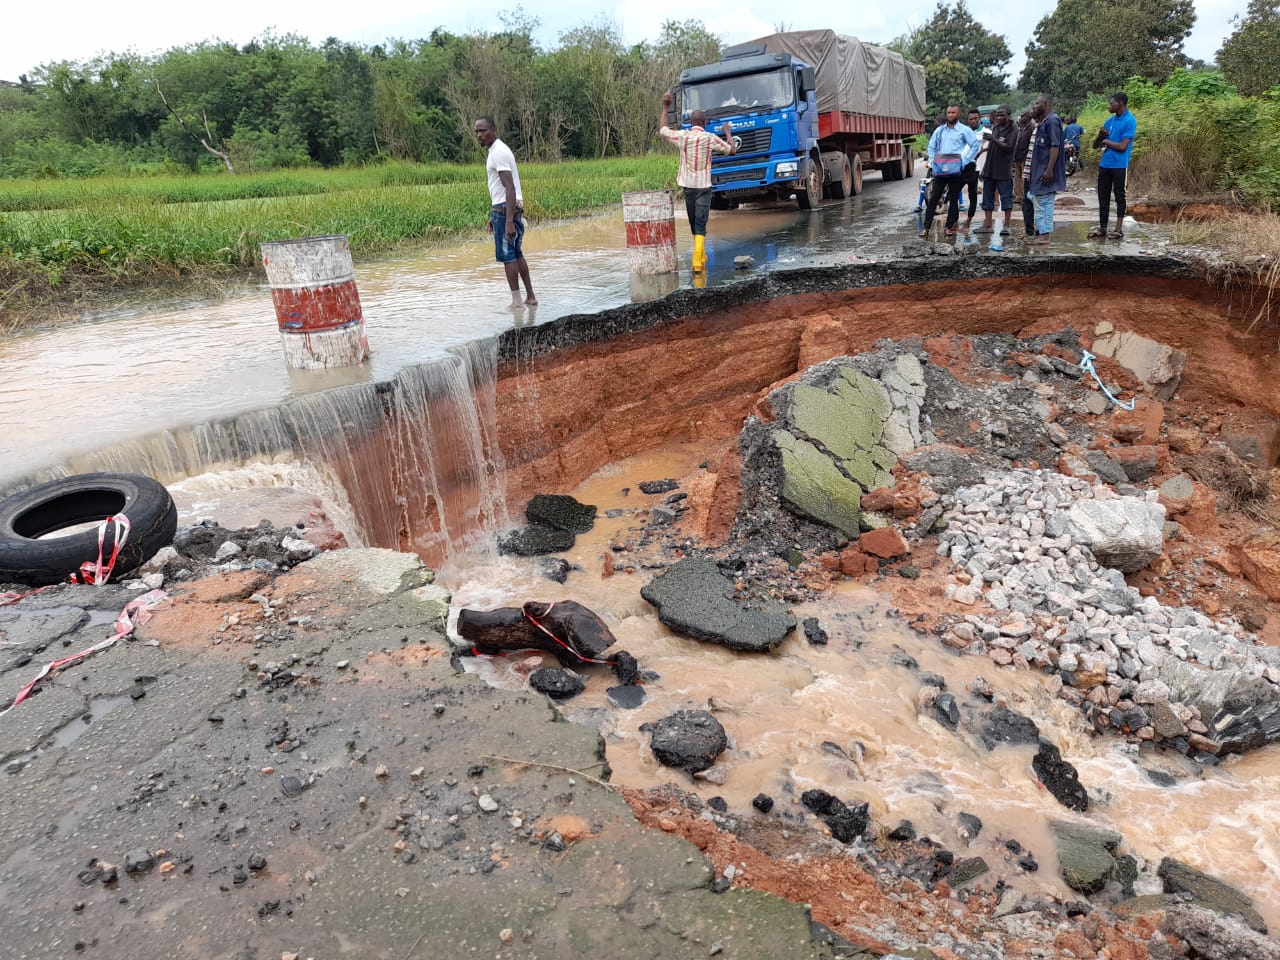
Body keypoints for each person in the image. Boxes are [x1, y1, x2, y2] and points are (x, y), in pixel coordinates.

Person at [659, 93, 736, 274]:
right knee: (701, 222)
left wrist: (665, 106)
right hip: (703, 187)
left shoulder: (683, 136)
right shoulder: (709, 138)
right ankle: (697, 261)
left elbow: (663, 129)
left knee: (694, 222)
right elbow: (731, 150)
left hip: (688, 187)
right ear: (704, 123)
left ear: (692, 122)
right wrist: (727, 132)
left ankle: (700, 256)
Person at [474, 116, 536, 306]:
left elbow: (509, 188)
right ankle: (530, 297)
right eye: (476, 131)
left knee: (507, 256)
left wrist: (507, 220)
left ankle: (516, 302)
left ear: (493, 129)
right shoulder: (499, 150)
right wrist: (495, 215)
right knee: (517, 254)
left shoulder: (498, 153)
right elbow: (503, 190)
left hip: (505, 211)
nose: (479, 135)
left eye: (483, 130)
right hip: (505, 209)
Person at [920, 104, 980, 239]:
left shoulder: (964, 130)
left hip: (956, 169)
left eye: (953, 113)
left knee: (953, 198)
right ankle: (926, 227)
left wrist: (963, 162)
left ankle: (948, 227)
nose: (950, 115)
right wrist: (933, 162)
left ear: (958, 114)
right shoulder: (940, 131)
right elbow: (931, 146)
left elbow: (974, 146)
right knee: (934, 197)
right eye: (948, 113)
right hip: (941, 168)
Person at [1089, 92, 1137, 240]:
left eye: (1112, 104)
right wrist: (1100, 136)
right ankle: (1103, 228)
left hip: (1120, 165)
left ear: (1120, 104)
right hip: (1105, 164)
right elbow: (1095, 146)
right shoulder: (1110, 121)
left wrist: (1106, 142)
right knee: (1102, 196)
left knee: (1119, 196)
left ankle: (1118, 228)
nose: (1109, 106)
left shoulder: (1129, 120)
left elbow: (1123, 146)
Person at [973, 105, 1017, 248]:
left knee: (1006, 198)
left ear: (1008, 115)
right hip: (991, 168)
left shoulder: (1013, 128)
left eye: (1001, 115)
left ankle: (1007, 225)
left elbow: (1008, 147)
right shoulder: (996, 127)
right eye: (997, 115)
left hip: (1004, 169)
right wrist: (985, 167)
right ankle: (987, 224)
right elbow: (991, 148)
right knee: (987, 198)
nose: (998, 118)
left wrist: (993, 139)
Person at [1026, 95, 1065, 247]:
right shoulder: (1043, 123)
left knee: (1045, 203)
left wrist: (1049, 170)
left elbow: (1055, 146)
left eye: (1037, 103)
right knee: (1038, 201)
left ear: (1046, 104)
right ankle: (1041, 234)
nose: (1034, 106)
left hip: (1046, 173)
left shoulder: (1053, 121)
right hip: (1038, 171)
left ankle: (1044, 236)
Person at [1013, 109, 1038, 236]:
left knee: (1024, 178)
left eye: (1023, 116)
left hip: (1025, 158)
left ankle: (1023, 195)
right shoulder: (1022, 128)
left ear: (1028, 117)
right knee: (1017, 178)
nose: (1021, 117)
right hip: (1017, 157)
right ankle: (1018, 196)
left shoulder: (1031, 128)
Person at [961, 109, 986, 233]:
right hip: (960, 167)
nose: (973, 121)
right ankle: (953, 223)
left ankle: (968, 222)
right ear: (967, 120)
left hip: (975, 169)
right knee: (953, 194)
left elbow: (990, 148)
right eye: (971, 119)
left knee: (972, 196)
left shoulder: (986, 132)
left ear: (979, 118)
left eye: (975, 118)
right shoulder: (963, 131)